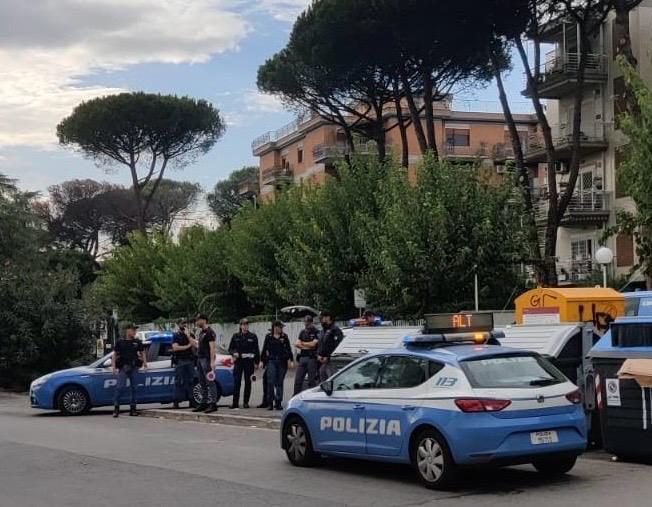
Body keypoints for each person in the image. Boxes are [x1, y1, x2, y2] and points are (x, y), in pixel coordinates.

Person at [112, 324, 148, 418]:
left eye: (135, 330)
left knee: (134, 388)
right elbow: (114, 355)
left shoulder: (137, 342)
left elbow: (142, 352)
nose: (135, 332)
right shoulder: (120, 342)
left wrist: (145, 364)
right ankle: (116, 408)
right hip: (123, 367)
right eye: (133, 330)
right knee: (120, 387)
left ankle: (133, 409)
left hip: (134, 367)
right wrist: (113, 367)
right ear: (127, 331)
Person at [261, 321, 294, 411]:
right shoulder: (269, 337)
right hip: (271, 361)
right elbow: (264, 349)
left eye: (282, 327)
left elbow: (289, 348)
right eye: (280, 327)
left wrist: (291, 360)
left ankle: (278, 402)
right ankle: (270, 403)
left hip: (282, 362)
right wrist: (262, 361)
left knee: (279, 383)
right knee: (270, 382)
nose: (281, 329)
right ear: (275, 327)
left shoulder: (284, 336)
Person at [228, 318, 260, 409]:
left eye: (247, 325)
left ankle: (246, 402)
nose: (245, 326)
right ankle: (235, 403)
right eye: (244, 325)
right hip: (238, 361)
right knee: (237, 382)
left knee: (248, 382)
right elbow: (230, 349)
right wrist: (234, 353)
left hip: (249, 362)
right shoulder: (235, 336)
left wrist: (257, 362)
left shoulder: (253, 336)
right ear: (240, 326)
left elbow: (256, 350)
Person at [192, 314, 220, 413]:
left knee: (210, 381)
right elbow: (198, 345)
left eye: (198, 320)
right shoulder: (201, 333)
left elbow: (212, 347)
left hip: (206, 359)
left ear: (204, 320)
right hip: (200, 359)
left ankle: (213, 404)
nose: (196, 322)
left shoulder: (209, 332)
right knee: (202, 381)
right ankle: (203, 403)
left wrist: (212, 361)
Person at [172, 322, 196, 410]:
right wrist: (187, 346)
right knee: (178, 381)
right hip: (180, 360)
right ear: (179, 325)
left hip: (189, 360)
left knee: (191, 381)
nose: (184, 325)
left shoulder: (190, 334)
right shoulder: (176, 335)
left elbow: (194, 345)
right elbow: (175, 347)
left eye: (185, 323)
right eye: (182, 324)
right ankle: (176, 401)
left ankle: (192, 400)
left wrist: (188, 335)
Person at [293, 315, 320, 395]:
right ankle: (295, 396)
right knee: (298, 380)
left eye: (308, 322)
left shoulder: (316, 332)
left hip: (312, 358)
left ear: (311, 322)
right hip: (302, 358)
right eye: (305, 322)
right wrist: (306, 346)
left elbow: (313, 345)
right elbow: (297, 344)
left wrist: (303, 343)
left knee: (311, 381)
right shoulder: (302, 332)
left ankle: (311, 397)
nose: (306, 324)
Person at [318, 311, 344, 382]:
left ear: (328, 317)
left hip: (332, 360)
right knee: (322, 375)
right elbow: (321, 345)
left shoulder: (335, 330)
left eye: (322, 317)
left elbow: (337, 346)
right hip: (323, 361)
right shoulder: (323, 330)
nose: (321, 319)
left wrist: (328, 356)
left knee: (332, 380)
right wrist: (319, 355)